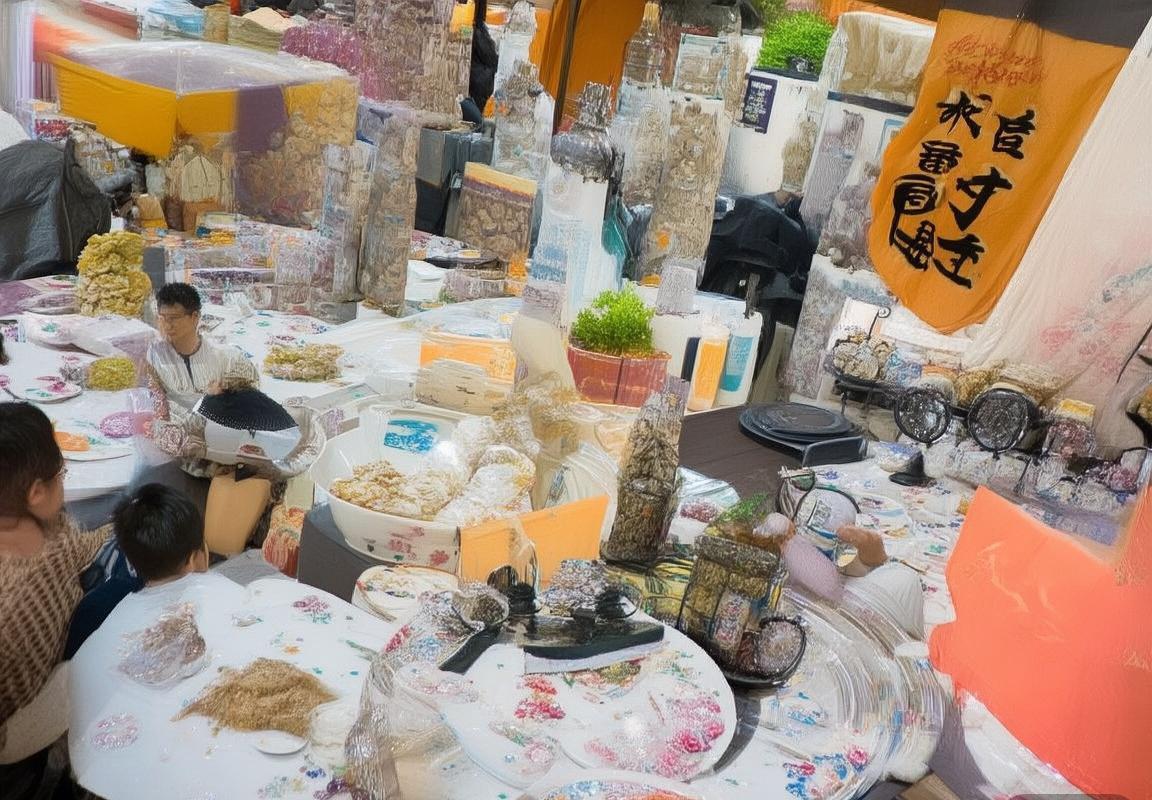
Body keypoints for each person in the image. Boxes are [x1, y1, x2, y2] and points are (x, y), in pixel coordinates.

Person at [0, 403, 111, 781]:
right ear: (36, 492)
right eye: (61, 474)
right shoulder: (25, 588)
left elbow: (78, 546)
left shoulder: (43, 528)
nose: (63, 481)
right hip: (18, 730)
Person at [145, 282, 273, 556]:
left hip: (225, 443)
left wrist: (225, 395)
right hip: (186, 447)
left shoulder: (224, 357)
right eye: (163, 318)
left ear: (195, 317)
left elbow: (251, 395)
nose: (167, 325)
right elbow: (158, 411)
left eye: (174, 318)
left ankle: (246, 542)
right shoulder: (154, 358)